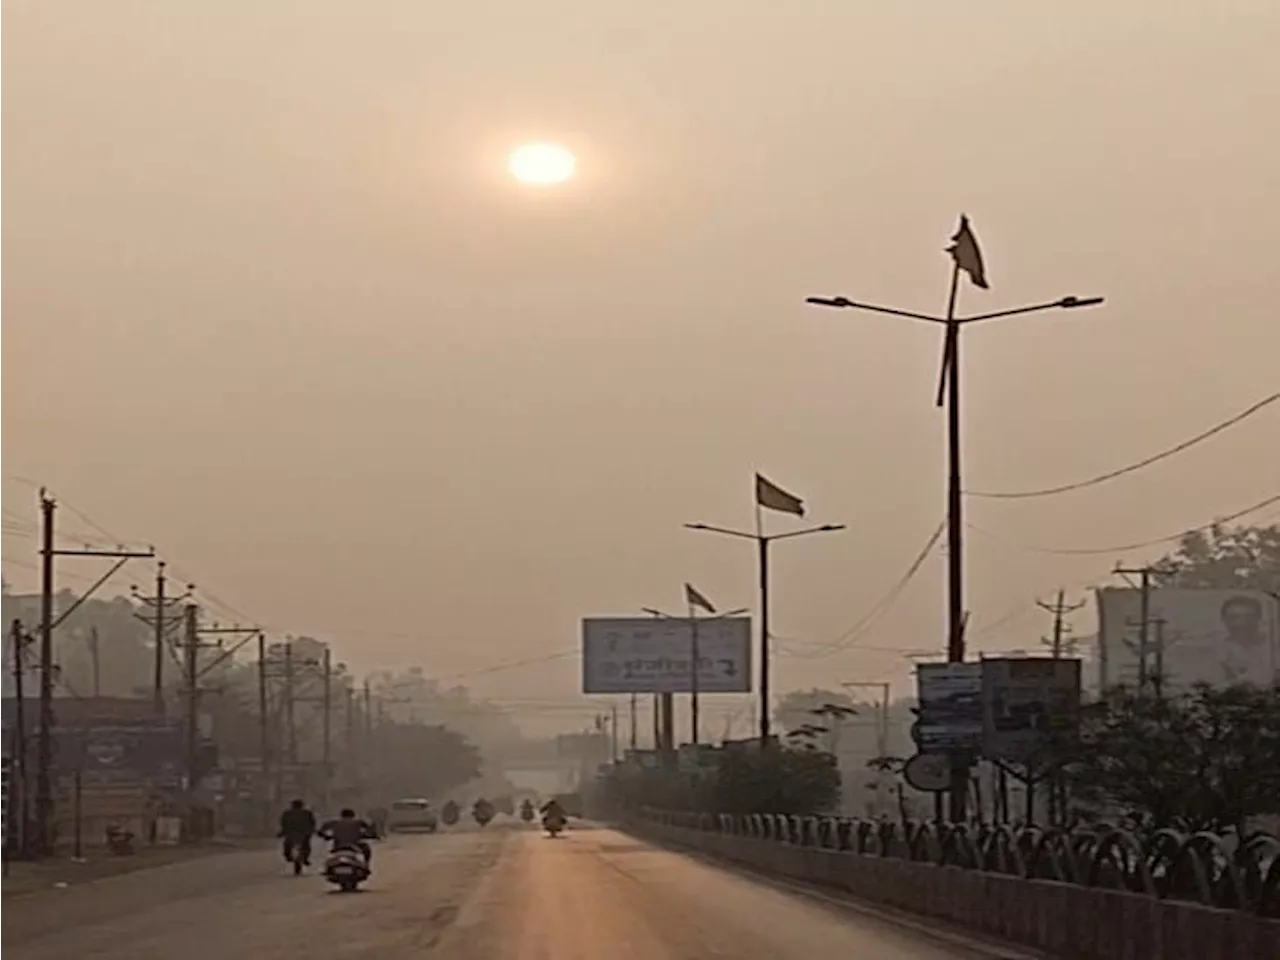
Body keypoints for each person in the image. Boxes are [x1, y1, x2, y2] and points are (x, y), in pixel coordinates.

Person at [278, 799, 317, 866]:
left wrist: (283, 831)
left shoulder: (287, 813)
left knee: (287, 845)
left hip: (291, 834)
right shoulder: (307, 813)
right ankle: (305, 859)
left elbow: (283, 823)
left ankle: (289, 857)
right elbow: (312, 823)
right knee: (306, 846)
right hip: (304, 834)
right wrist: (312, 830)